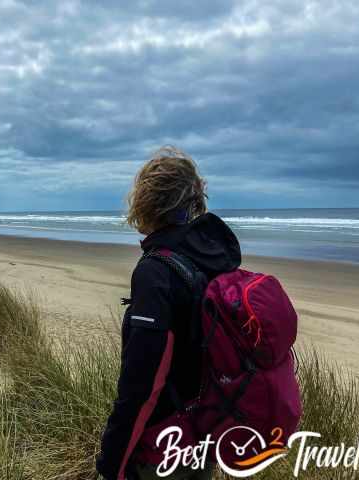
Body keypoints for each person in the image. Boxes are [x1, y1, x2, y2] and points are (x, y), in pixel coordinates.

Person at [96, 147, 241, 480]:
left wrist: (112, 463)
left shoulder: (155, 272)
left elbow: (143, 385)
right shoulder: (213, 260)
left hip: (162, 447)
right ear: (196, 201)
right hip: (203, 433)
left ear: (146, 201)